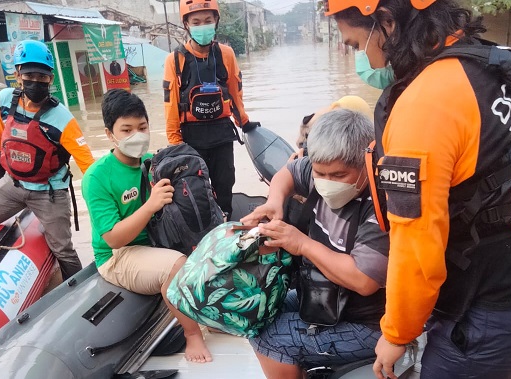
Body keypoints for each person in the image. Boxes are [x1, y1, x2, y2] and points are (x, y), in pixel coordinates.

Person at [324, 1, 511, 378]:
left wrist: (397, 333)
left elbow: (416, 245)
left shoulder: (425, 102)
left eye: (356, 44)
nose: (362, 59)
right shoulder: (494, 61)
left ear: (386, 23)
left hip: (487, 308)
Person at [241, 109, 389, 379]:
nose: (326, 183)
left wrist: (302, 244)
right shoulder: (318, 168)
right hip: (324, 296)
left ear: (366, 163)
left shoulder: (381, 203)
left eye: (338, 176)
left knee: (268, 337)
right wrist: (274, 201)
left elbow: (364, 281)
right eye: (321, 174)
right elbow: (287, 173)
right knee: (256, 308)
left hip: (369, 321)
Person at [82, 89, 212, 363]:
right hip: (118, 255)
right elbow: (113, 239)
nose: (136, 136)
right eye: (126, 130)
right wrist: (150, 205)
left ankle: (216, 316)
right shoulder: (97, 176)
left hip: (155, 241)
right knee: (177, 264)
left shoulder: (155, 162)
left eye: (142, 127)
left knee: (212, 247)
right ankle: (192, 334)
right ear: (110, 134)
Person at [0, 40, 94, 281]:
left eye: (43, 77)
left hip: (49, 193)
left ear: (51, 79)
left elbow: (88, 165)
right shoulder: (5, 101)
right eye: (29, 75)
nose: (36, 82)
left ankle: (77, 293)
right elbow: (0, 140)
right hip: (13, 185)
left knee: (64, 250)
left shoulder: (63, 119)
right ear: (18, 74)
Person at [163, 0, 259, 219]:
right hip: (191, 138)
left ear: (216, 21)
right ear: (186, 24)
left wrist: (243, 121)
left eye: (207, 20)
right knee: (195, 190)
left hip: (221, 134)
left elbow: (235, 91)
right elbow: (170, 105)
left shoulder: (226, 54)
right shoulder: (175, 60)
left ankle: (225, 218)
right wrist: (175, 144)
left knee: (225, 183)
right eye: (196, 21)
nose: (202, 26)